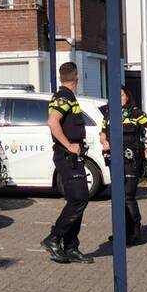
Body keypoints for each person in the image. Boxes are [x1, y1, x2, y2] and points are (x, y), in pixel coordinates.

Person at [40, 62, 94, 264]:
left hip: (72, 157)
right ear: (77, 77)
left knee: (77, 200)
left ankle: (71, 247)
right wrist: (69, 145)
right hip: (67, 156)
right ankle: (54, 238)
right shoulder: (64, 97)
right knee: (79, 199)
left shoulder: (68, 97)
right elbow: (52, 122)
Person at [101, 86, 147, 245]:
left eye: (121, 95)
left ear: (127, 96)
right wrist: (104, 141)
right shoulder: (109, 113)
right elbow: (103, 133)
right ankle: (121, 231)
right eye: (115, 95)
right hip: (114, 159)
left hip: (131, 160)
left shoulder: (135, 113)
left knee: (128, 195)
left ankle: (135, 231)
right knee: (118, 196)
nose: (119, 98)